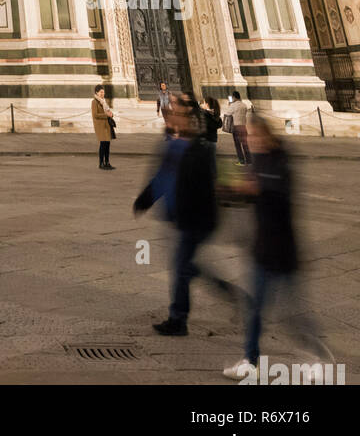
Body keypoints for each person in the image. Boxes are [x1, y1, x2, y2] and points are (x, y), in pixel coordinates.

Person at [223, 116, 334, 381]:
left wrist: (255, 188)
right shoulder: (258, 161)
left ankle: (319, 357)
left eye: (255, 135)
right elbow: (249, 195)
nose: (250, 140)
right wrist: (229, 192)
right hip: (262, 249)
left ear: (267, 136)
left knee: (291, 313)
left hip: (283, 251)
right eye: (248, 136)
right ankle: (250, 361)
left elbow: (277, 192)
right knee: (254, 309)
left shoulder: (281, 160)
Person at [134, 95, 232, 336]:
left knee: (181, 266)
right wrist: (145, 199)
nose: (170, 114)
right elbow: (162, 176)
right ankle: (222, 289)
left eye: (176, 111)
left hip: (194, 218)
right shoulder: (173, 143)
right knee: (185, 265)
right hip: (181, 217)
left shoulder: (200, 147)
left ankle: (178, 319)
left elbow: (214, 185)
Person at [92, 84, 115, 169]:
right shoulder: (94, 102)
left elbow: (108, 110)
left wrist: (111, 114)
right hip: (100, 126)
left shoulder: (104, 101)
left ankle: (107, 162)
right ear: (96, 93)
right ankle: (101, 163)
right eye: (101, 92)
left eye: (103, 92)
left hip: (107, 125)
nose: (102, 94)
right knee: (103, 144)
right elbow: (95, 115)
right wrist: (106, 115)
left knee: (107, 144)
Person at [227, 91, 252, 165]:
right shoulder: (244, 105)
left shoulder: (233, 105)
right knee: (245, 145)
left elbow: (227, 114)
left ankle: (241, 161)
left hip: (236, 127)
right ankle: (249, 161)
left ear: (234, 97)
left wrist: (229, 105)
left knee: (238, 145)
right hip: (243, 127)